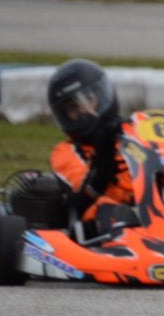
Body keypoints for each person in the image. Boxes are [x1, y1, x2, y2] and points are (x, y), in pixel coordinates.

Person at [46, 58, 132, 235]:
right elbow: (84, 192)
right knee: (108, 209)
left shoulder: (134, 131)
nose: (84, 111)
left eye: (88, 100)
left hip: (151, 202)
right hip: (104, 215)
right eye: (73, 108)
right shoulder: (64, 152)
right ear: (64, 116)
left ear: (102, 96)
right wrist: (101, 165)